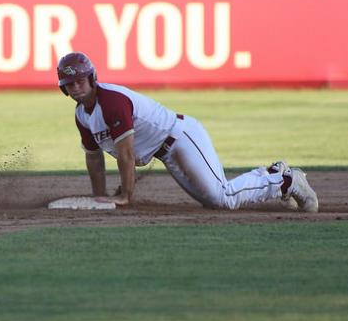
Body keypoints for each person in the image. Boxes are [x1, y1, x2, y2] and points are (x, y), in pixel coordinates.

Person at [56, 52, 319, 212]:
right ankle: (274, 175)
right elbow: (94, 159)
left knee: (222, 198)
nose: (77, 87)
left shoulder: (111, 101)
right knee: (213, 202)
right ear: (64, 89)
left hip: (181, 137)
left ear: (92, 78)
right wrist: (98, 197)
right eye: (70, 84)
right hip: (166, 152)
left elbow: (125, 155)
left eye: (81, 80)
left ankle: (287, 181)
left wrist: (125, 196)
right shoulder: (82, 115)